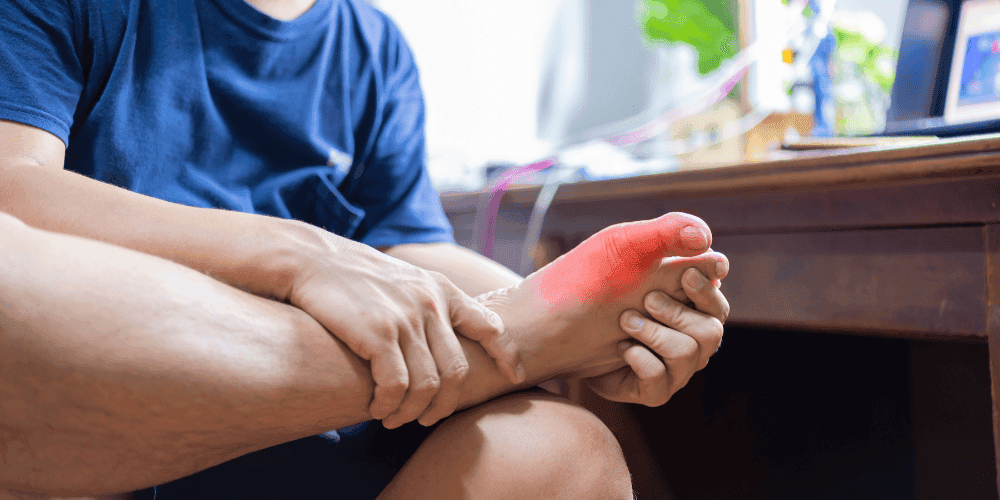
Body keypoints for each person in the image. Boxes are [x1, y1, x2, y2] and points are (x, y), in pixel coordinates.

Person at [0, 0, 730, 498]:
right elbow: (12, 190)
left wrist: (593, 321)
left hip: (325, 440)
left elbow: (410, 247)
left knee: (563, 446)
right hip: (127, 416)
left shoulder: (371, 44)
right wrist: (296, 253)